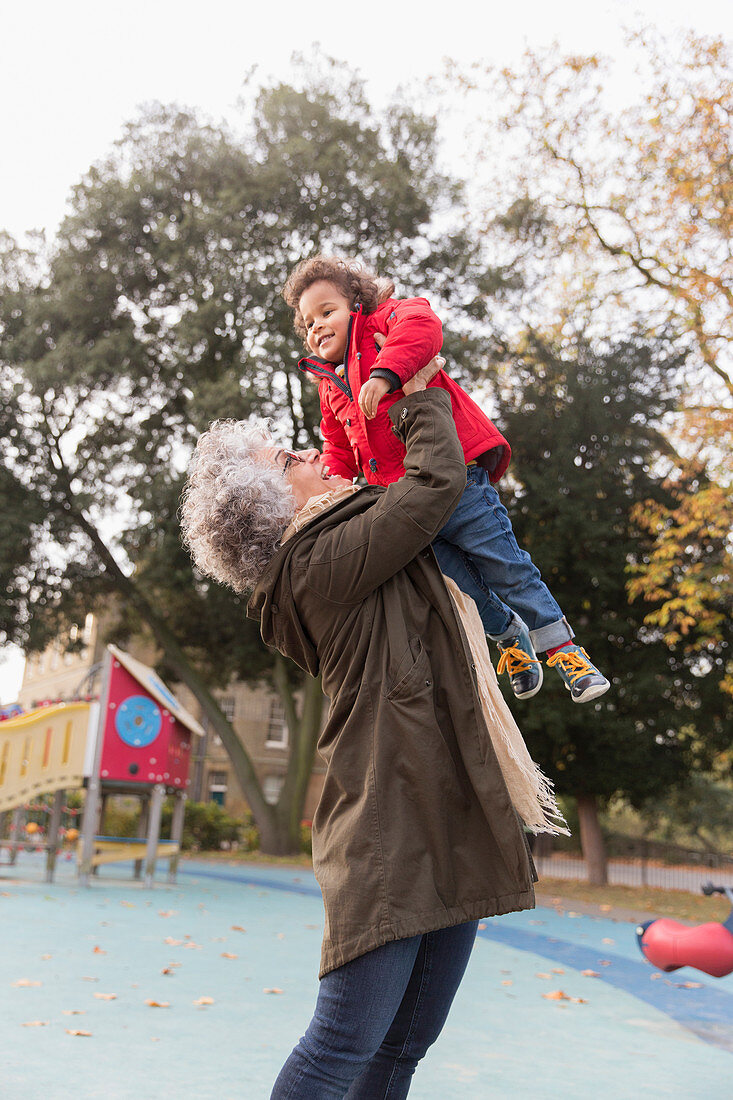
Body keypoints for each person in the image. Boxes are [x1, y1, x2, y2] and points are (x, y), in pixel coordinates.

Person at [181, 372, 567, 1099]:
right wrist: (418, 391)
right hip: (390, 820)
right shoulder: (319, 564)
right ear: (266, 503)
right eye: (285, 458)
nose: (305, 454)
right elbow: (434, 482)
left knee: (401, 1049)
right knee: (341, 1046)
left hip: (447, 804)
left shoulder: (345, 542)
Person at [282, 255, 611, 705]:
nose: (317, 326)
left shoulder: (385, 322)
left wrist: (385, 374)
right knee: (462, 588)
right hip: (410, 503)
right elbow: (338, 447)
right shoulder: (326, 386)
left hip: (457, 482)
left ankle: (564, 651)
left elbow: (423, 325)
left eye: (327, 311)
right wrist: (337, 486)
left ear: (356, 305)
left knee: (506, 566)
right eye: (307, 322)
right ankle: (510, 637)